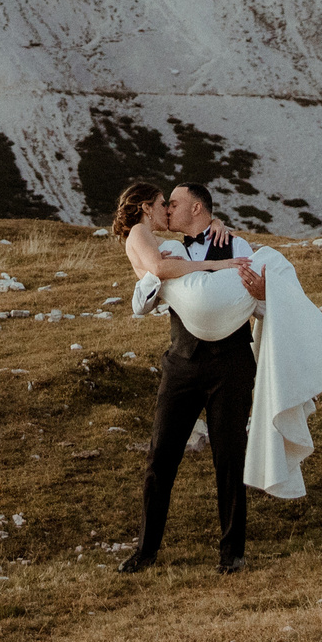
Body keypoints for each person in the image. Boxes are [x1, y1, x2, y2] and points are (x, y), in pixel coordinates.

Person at [115, 180, 259, 573]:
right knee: (160, 457)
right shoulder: (168, 251)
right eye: (164, 204)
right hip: (181, 363)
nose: (167, 210)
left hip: (231, 364)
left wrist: (261, 290)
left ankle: (232, 554)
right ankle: (145, 552)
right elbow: (146, 296)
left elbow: (257, 297)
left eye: (173, 204)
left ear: (196, 208)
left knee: (230, 458)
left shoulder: (237, 245)